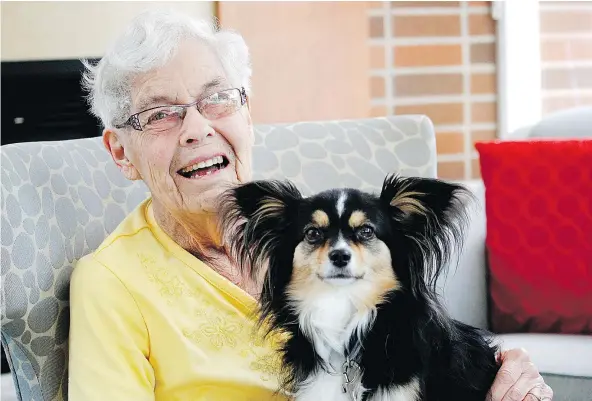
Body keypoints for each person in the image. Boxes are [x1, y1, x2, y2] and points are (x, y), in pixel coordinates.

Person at [68, 8, 554, 401]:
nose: (196, 127)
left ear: (248, 115)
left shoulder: (315, 223)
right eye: (160, 114)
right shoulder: (112, 283)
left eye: (217, 98)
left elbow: (426, 344)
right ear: (120, 152)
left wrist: (500, 370)